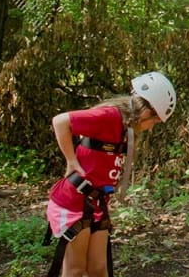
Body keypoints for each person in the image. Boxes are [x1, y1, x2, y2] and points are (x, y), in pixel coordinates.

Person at [45, 71, 176, 277]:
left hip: (96, 204)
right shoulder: (109, 116)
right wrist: (71, 160)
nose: (152, 127)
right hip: (73, 202)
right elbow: (60, 121)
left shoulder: (126, 129)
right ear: (146, 111)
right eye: (155, 121)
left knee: (98, 269)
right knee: (75, 269)